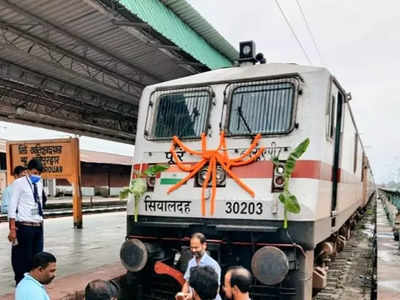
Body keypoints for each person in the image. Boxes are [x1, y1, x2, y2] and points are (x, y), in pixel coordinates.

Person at [8, 158, 45, 284]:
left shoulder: (39, 183)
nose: (37, 176)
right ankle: (22, 285)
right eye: (35, 172)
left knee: (37, 259)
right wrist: (12, 228)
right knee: (23, 260)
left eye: (39, 173)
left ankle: (33, 285)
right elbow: (12, 206)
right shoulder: (19, 183)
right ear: (28, 171)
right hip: (24, 227)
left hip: (38, 226)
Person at [181, 233, 221, 300]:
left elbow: (216, 289)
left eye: (196, 247)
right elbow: (187, 282)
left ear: (204, 245)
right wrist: (182, 295)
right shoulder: (191, 262)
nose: (193, 250)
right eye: (191, 247)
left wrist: (192, 296)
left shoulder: (213, 265)